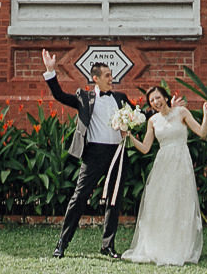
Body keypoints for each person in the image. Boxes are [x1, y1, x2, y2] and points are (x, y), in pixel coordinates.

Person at [42, 48, 137, 259]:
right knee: (79, 198)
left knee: (114, 200)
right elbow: (59, 95)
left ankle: (108, 245)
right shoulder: (84, 97)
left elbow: (138, 114)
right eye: (107, 76)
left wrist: (163, 109)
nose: (112, 79)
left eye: (111, 75)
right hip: (94, 153)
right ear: (96, 79)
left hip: (117, 154)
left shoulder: (120, 97)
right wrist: (50, 71)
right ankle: (62, 244)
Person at [121, 85, 207, 266]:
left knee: (180, 202)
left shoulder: (182, 112)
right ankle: (160, 245)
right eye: (152, 100)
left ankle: (179, 246)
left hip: (181, 162)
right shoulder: (153, 121)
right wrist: (130, 137)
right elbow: (146, 148)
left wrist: (206, 114)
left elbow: (202, 133)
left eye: (158, 97)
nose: (156, 102)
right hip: (163, 163)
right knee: (162, 203)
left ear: (165, 96)